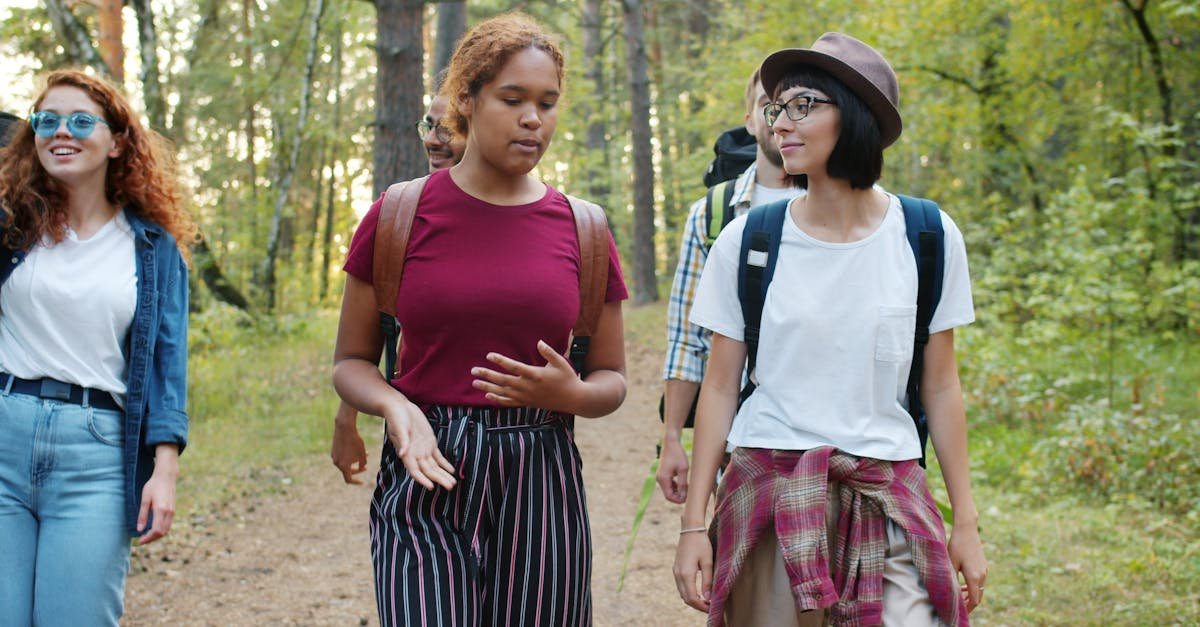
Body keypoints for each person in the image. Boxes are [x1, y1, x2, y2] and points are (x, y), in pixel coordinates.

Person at [672, 33, 987, 625]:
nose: (780, 123)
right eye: (776, 108)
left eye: (803, 105)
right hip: (770, 493)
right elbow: (718, 388)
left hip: (888, 494)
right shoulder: (749, 242)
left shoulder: (928, 236)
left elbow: (942, 388)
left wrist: (965, 524)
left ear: (859, 115)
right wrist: (695, 524)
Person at [333, 13, 627, 626]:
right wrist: (395, 407)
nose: (533, 119)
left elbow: (612, 381)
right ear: (466, 100)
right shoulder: (398, 215)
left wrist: (571, 393)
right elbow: (352, 362)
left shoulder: (585, 229)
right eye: (512, 98)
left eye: (547, 103)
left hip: (541, 475)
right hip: (425, 467)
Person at [0, 69, 194, 625]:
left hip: (96, 456)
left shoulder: (154, 249)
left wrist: (165, 469)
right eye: (48, 120)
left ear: (116, 142)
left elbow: (166, 363)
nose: (62, 131)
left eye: (82, 120)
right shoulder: (12, 228)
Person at [658, 68, 801, 503]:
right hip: (740, 439)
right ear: (750, 119)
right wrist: (671, 439)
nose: (779, 119)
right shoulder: (714, 213)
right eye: (767, 105)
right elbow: (688, 337)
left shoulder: (845, 209)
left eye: (796, 107)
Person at [330, 91, 467, 485]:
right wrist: (346, 418)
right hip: (415, 440)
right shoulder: (398, 217)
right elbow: (371, 333)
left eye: (448, 128)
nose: (432, 139)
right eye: (429, 125)